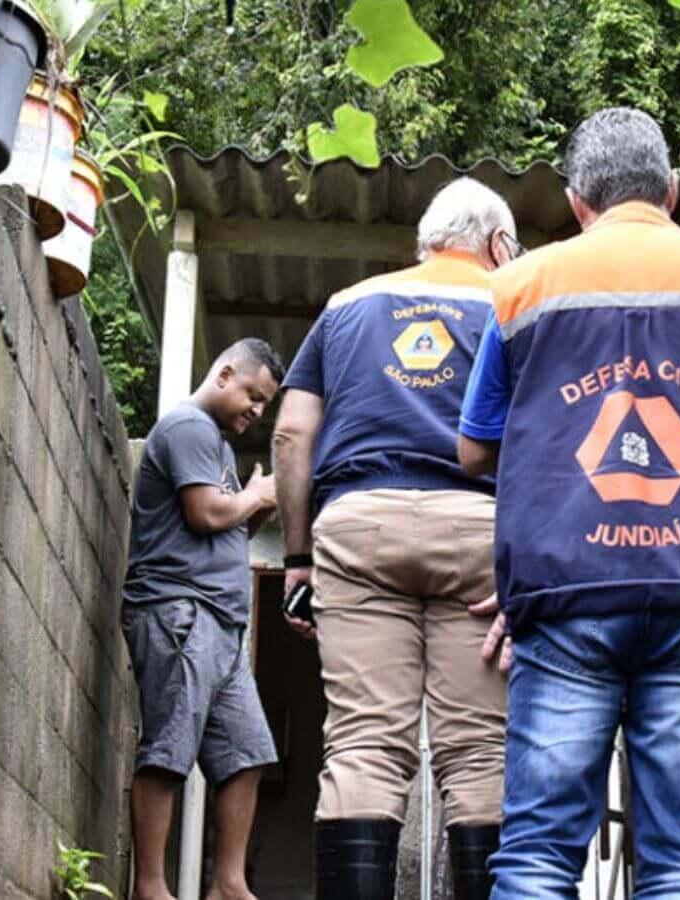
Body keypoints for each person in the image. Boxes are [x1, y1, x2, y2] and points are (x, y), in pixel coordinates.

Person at [457, 107, 680, 897]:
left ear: (579, 202)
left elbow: (474, 447)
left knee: (540, 852)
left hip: (567, 586)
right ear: (674, 193)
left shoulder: (520, 289)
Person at [271, 177, 522, 900]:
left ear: (426, 242)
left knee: (362, 747)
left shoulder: (347, 306)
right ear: (498, 244)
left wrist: (296, 558)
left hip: (360, 529)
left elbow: (291, 433)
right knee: (479, 754)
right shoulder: (511, 305)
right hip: (480, 532)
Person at [120, 338, 286, 900]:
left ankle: (227, 884)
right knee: (169, 752)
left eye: (264, 404)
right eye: (253, 396)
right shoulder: (188, 428)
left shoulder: (212, 444)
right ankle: (150, 888)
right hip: (179, 614)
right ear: (224, 374)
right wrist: (255, 492)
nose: (256, 411)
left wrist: (258, 502)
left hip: (220, 627)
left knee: (248, 754)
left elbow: (226, 524)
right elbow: (208, 512)